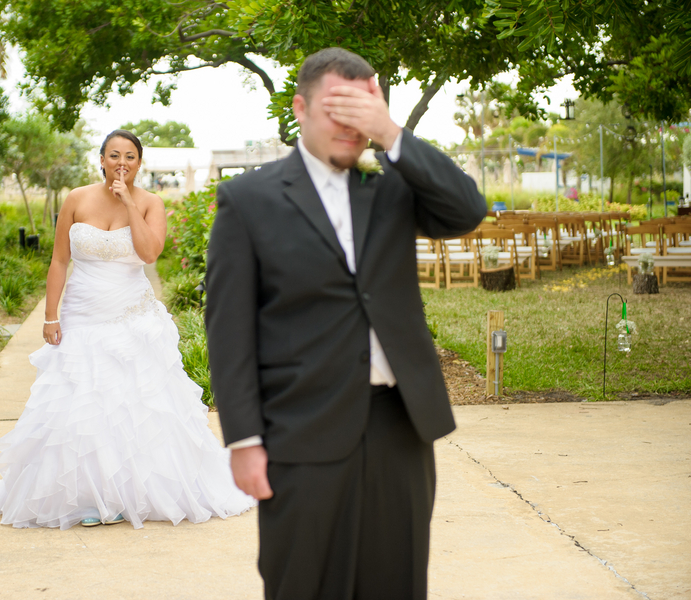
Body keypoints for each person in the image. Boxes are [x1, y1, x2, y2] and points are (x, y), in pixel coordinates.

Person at [205, 48, 486, 599]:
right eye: (338, 108)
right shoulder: (248, 199)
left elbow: (466, 210)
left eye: (363, 109)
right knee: (304, 585)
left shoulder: (392, 187)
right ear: (300, 109)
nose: (350, 124)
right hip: (301, 430)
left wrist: (390, 131)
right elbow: (229, 330)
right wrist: (243, 439)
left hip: (399, 429)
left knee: (396, 584)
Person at [0, 130, 255, 530]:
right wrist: (50, 315)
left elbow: (149, 253)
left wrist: (129, 201)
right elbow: (59, 260)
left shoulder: (150, 203)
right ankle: (90, 495)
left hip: (132, 317)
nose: (122, 163)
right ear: (100, 159)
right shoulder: (77, 199)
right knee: (83, 401)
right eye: (114, 155)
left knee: (133, 404)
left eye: (130, 156)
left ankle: (130, 493)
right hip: (82, 313)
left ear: (139, 164)